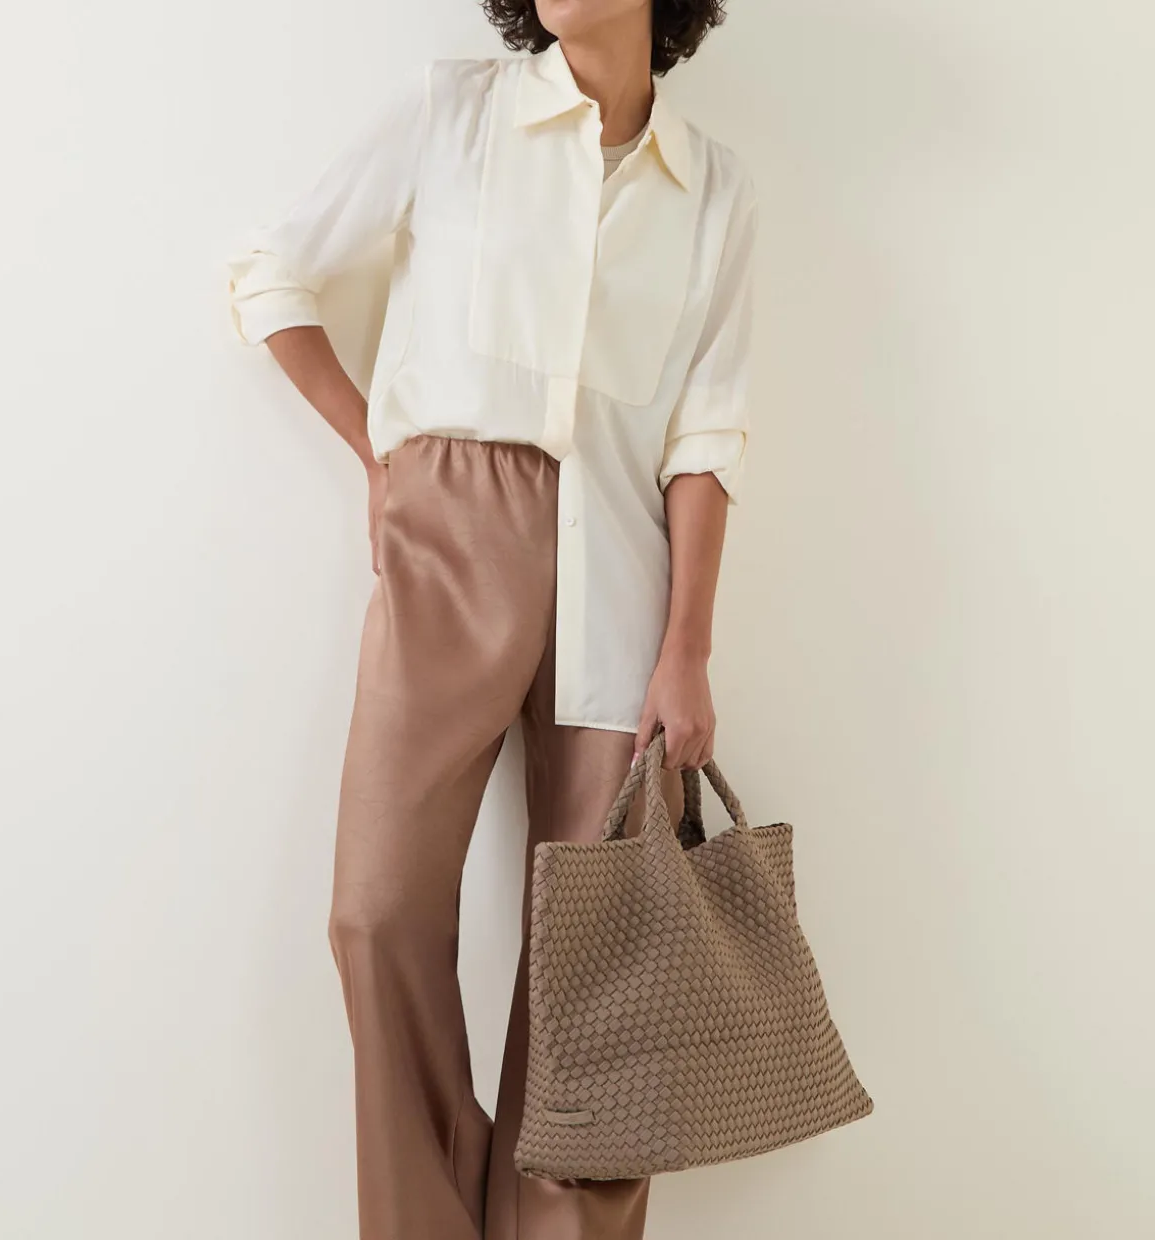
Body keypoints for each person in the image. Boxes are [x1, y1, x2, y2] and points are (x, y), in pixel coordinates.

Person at [226, 1, 759, 1237]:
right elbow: (272, 275)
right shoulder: (452, 111)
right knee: (375, 912)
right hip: (450, 539)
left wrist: (688, 647)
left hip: (622, 572)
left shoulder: (715, 189)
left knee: (601, 975)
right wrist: (379, 458)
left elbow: (704, 435)